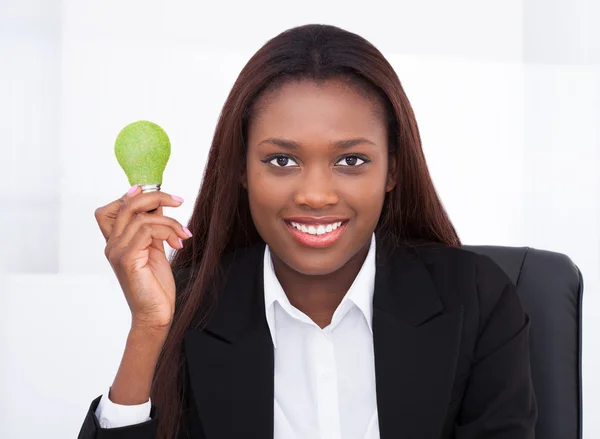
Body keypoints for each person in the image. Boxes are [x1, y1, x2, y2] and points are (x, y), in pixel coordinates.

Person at [78, 24, 537, 439]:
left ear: (392, 169)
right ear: (241, 169)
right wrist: (150, 326)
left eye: (351, 160)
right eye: (282, 160)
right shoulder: (193, 303)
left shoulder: (475, 297)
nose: (315, 195)